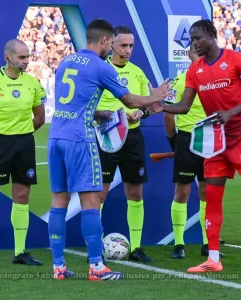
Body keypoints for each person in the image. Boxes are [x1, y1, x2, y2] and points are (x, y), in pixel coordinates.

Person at [47, 19, 170, 281]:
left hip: (55, 136)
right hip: (80, 139)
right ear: (105, 41)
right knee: (91, 201)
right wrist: (157, 96)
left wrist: (104, 114)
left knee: (59, 201)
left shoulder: (66, 62)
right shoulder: (101, 67)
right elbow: (132, 100)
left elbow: (76, 105)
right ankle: (96, 267)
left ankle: (58, 267)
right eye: (113, 43)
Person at [153, 19, 241, 273]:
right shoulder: (195, 71)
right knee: (212, 197)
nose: (194, 43)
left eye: (198, 38)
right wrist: (160, 106)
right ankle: (213, 258)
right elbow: (184, 106)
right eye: (191, 39)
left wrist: (230, 112)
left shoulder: (234, 59)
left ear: (212, 36)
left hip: (238, 136)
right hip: (216, 142)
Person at [0, 39, 46, 266]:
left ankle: (20, 252)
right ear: (7, 57)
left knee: (21, 196)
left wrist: (23, 134)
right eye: (21, 57)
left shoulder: (33, 84)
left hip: (24, 144)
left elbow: (39, 117)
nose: (26, 61)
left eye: (27, 56)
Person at [96, 26, 153, 263]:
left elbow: (146, 105)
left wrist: (140, 113)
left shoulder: (138, 73)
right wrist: (111, 114)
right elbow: (90, 108)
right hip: (106, 137)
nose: (128, 50)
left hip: (132, 139)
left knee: (135, 192)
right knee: (99, 194)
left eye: (131, 45)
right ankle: (96, 245)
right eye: (123, 45)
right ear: (111, 44)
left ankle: (137, 247)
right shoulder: (100, 70)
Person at [164, 45, 225, 260]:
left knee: (207, 192)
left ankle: (208, 243)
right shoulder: (180, 80)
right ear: (189, 55)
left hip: (211, 141)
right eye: (195, 53)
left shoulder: (216, 81)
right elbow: (168, 115)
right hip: (187, 140)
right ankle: (178, 243)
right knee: (182, 192)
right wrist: (173, 140)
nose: (199, 57)